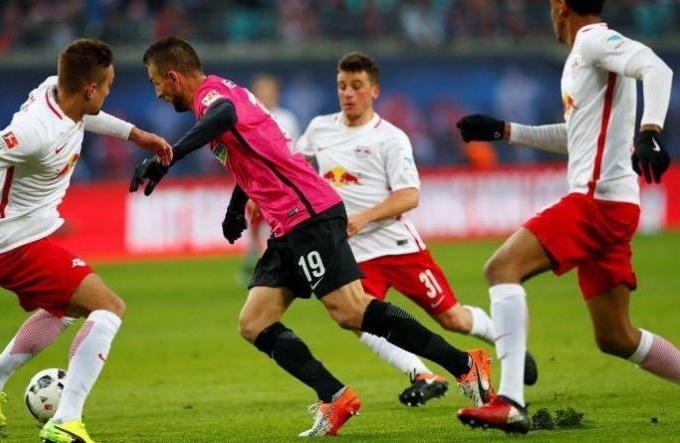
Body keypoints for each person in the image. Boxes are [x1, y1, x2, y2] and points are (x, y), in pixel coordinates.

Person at [131, 36, 493, 437]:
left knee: (351, 311)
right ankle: (335, 396)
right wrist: (236, 207)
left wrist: (168, 156)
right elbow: (257, 152)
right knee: (254, 322)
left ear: (174, 76)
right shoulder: (223, 92)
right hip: (287, 224)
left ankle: (464, 365)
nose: (158, 92)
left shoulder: (213, 98)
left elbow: (225, 116)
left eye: (156, 82)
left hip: (308, 215)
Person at [455, 0, 676, 434]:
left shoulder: (594, 41)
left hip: (596, 202)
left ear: (560, 6)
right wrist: (505, 131)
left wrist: (650, 132)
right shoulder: (583, 56)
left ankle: (510, 401)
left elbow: (657, 68)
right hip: (614, 205)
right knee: (616, 337)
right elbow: (575, 136)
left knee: (501, 268)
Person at [0, 39, 172, 443]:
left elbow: (88, 117)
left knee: (67, 310)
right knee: (109, 307)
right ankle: (66, 420)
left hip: (26, 238)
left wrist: (135, 134)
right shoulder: (32, 131)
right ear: (90, 89)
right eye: (107, 86)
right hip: (13, 248)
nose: (108, 94)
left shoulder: (60, 92)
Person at [296, 52, 537, 408]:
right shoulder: (320, 128)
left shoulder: (390, 138)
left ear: (374, 91)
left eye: (356, 86)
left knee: (452, 318)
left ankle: (502, 340)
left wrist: (364, 217)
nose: (347, 93)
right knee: (357, 319)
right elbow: (296, 165)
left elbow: (410, 195)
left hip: (396, 246)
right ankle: (420, 373)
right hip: (353, 251)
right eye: (342, 86)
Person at [240, 74, 302, 283]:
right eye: (261, 91)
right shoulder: (246, 116)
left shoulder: (287, 119)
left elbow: (295, 151)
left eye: (269, 91)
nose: (266, 95)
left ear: (276, 93)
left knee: (284, 226)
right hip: (257, 183)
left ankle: (283, 264)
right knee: (254, 224)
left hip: (282, 184)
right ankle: (251, 260)